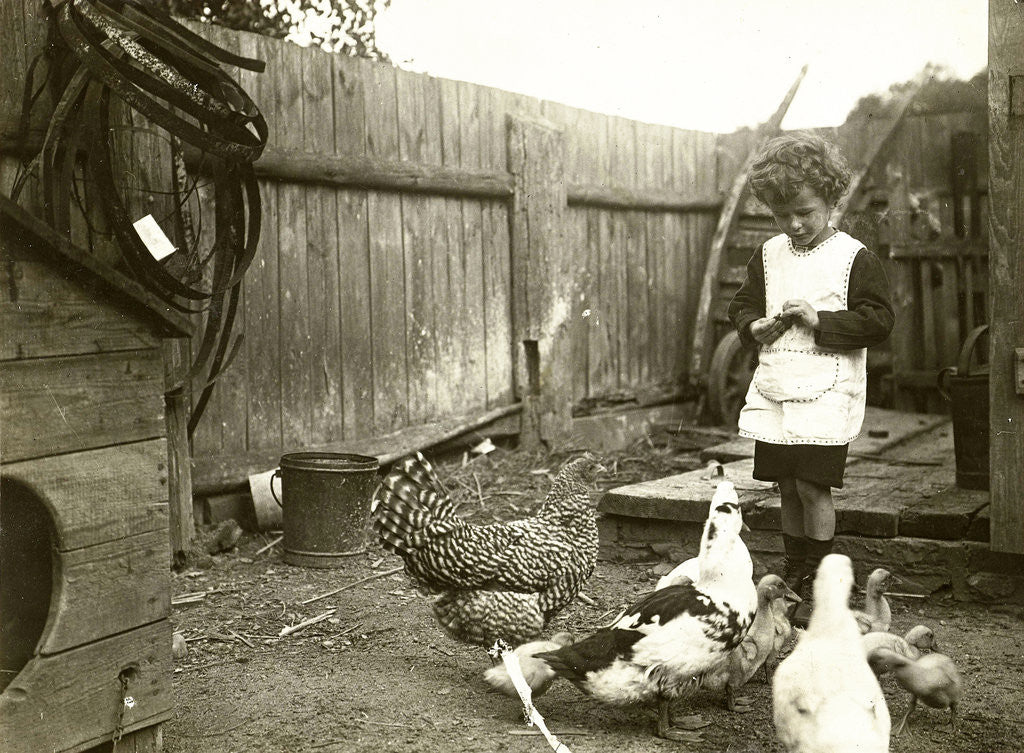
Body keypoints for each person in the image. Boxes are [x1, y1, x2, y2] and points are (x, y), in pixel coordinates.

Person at [727, 132, 894, 627]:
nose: (795, 225)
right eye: (783, 216)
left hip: (826, 390)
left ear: (831, 199)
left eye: (805, 211)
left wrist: (821, 319)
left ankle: (822, 580)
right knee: (785, 484)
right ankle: (796, 571)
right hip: (779, 386)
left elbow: (879, 320)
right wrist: (752, 325)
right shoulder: (769, 254)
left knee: (812, 486)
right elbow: (743, 304)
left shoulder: (852, 258)